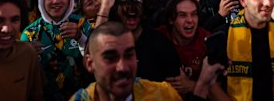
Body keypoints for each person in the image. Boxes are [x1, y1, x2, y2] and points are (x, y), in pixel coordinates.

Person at [71, 21, 222, 101]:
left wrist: (202, 84)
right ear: (90, 64)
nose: (122, 67)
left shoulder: (162, 94)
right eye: (110, 58)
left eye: (129, 55)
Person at [21, 0, 92, 100]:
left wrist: (81, 38)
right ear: (42, 0)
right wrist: (28, 55)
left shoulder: (82, 24)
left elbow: (96, 61)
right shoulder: (30, 33)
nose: (56, 1)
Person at [159, 0, 229, 100]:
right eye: (183, 15)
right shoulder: (158, 39)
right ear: (171, 19)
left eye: (194, 14)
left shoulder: (207, 41)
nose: (190, 20)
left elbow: (219, 94)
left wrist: (191, 85)